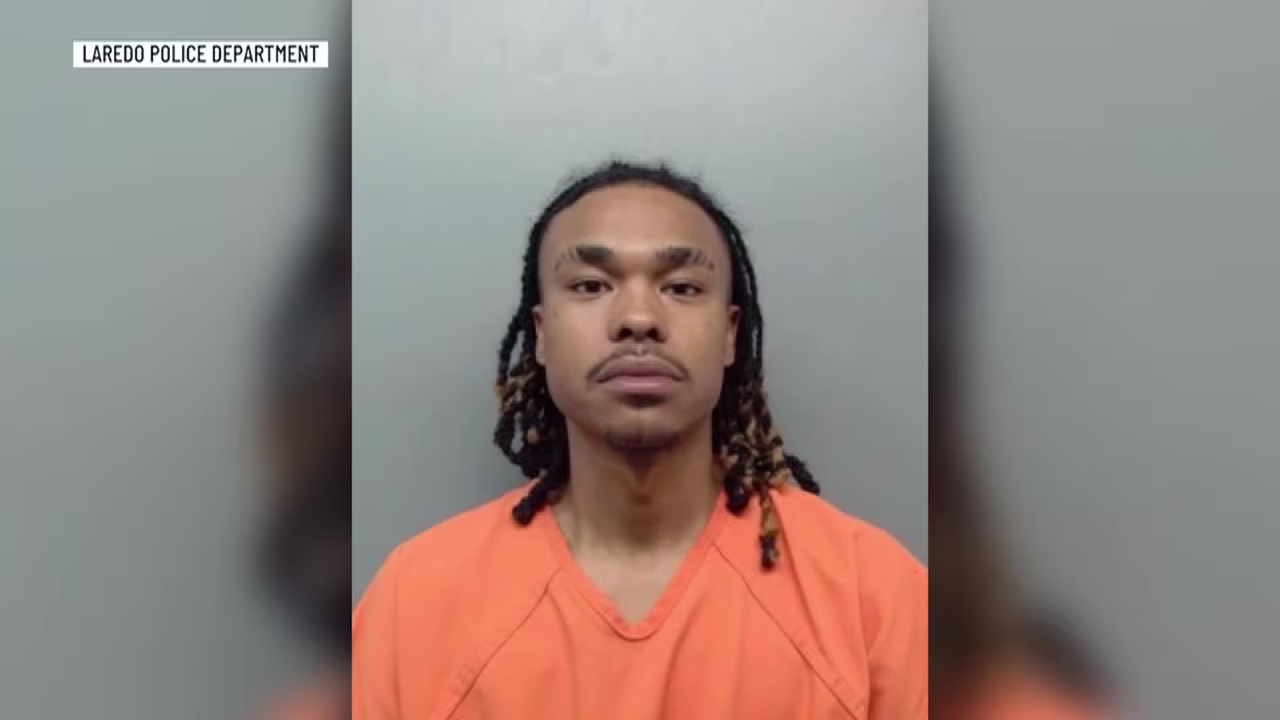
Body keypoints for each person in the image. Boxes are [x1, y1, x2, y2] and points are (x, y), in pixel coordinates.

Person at [352, 160, 927, 720]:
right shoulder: (417, 600)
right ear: (542, 335)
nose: (638, 318)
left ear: (730, 336)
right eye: (591, 284)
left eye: (679, 287)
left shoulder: (872, 596)